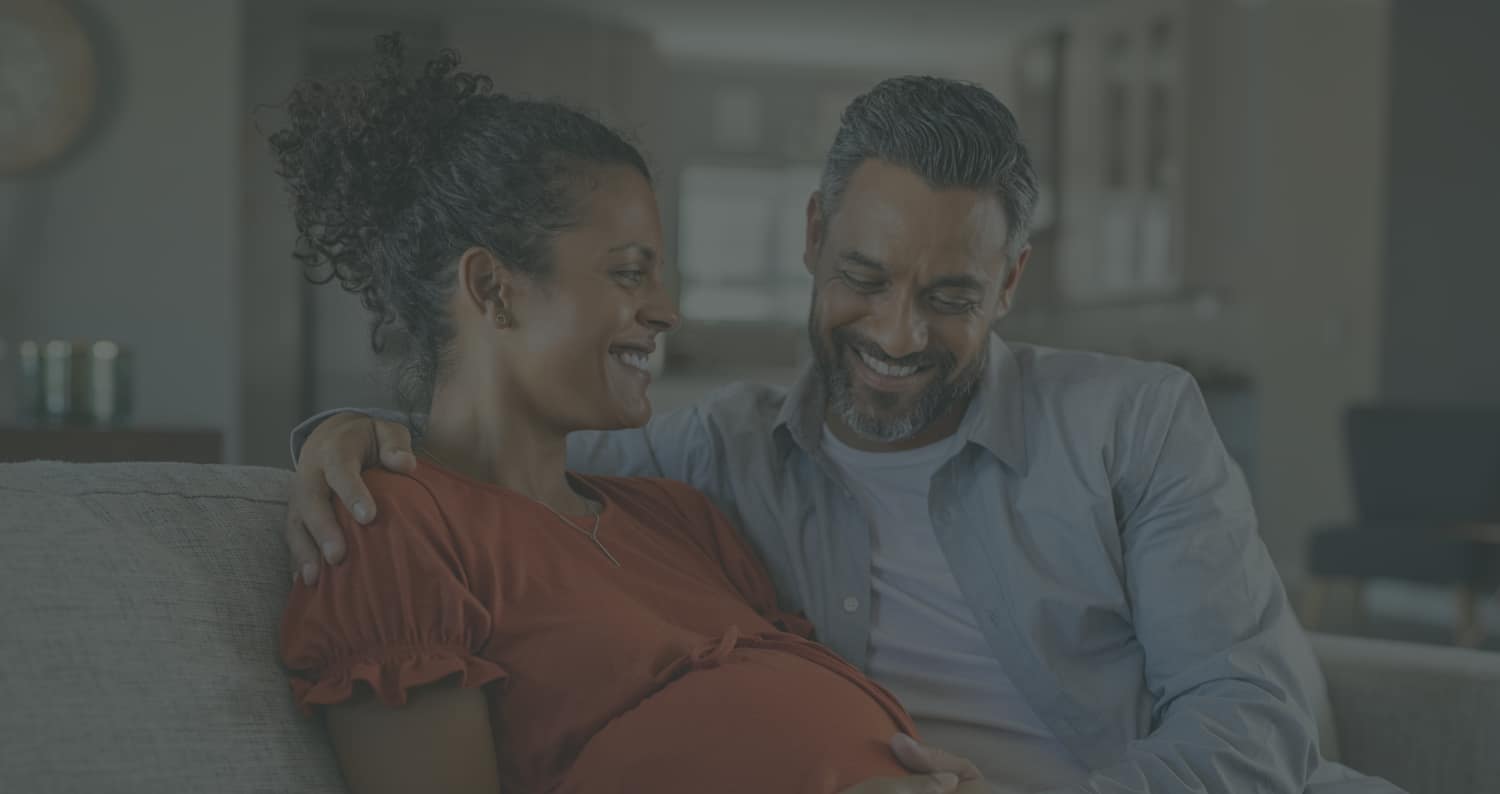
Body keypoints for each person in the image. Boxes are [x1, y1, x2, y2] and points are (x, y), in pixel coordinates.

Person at [286, 65, 1406, 794]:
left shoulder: (1133, 423)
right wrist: (345, 434)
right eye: (864, 277)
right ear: (815, 233)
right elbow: (490, 471)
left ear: (1011, 281)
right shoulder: (711, 457)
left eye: (951, 296)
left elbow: (1251, 713)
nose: (897, 333)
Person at [271, 35, 988, 794]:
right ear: (491, 289)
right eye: (627, 273)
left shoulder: (680, 518)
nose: (665, 310)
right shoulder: (395, 528)